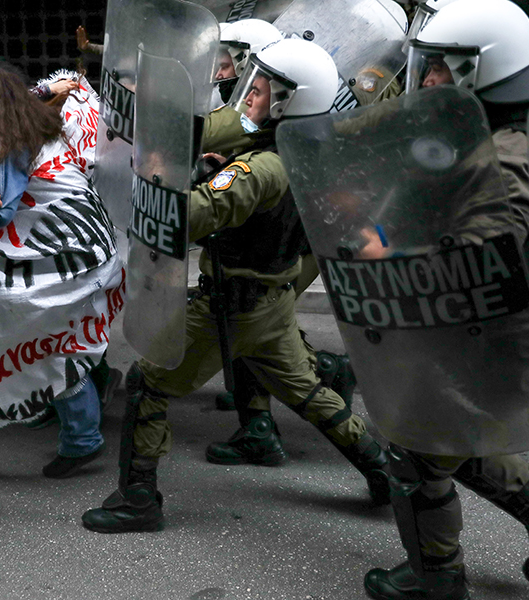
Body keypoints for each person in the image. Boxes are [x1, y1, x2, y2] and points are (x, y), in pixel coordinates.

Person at [81, 39, 391, 535]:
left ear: (290, 100)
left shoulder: (262, 165)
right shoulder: (311, 149)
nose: (249, 95)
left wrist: (159, 177)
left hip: (232, 305)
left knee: (148, 382)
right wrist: (215, 172)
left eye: (263, 88)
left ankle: (137, 499)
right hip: (271, 302)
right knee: (309, 391)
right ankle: (385, 472)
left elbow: (190, 218)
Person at [363, 1, 529, 598]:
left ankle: (435, 580)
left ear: (484, 68)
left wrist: (390, 256)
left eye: (440, 70)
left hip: (491, 332)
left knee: (415, 442)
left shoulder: (508, 154)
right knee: (448, 439)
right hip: (495, 326)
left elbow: (478, 254)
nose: (426, 81)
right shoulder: (513, 122)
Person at [0, 63, 122, 478]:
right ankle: (90, 395)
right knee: (73, 334)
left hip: (63, 258)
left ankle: (82, 439)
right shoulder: (43, 118)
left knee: (50, 345)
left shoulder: (1, 146)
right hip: (88, 246)